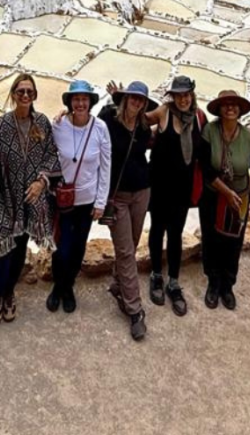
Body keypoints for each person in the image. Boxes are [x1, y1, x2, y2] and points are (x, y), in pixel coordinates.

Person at [0, 73, 60, 326]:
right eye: (21, 91)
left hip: (30, 200)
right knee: (3, 249)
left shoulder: (42, 123)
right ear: (13, 94)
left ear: (35, 95)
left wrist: (41, 182)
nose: (25, 96)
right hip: (5, 199)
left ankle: (9, 293)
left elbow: (51, 156)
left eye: (29, 92)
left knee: (19, 251)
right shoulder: (0, 126)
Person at [200, 89, 250, 310]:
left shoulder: (249, 138)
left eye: (234, 105)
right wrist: (225, 192)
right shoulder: (209, 132)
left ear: (240, 110)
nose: (230, 108)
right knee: (211, 239)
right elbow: (204, 168)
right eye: (226, 104)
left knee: (233, 241)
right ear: (219, 109)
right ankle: (213, 283)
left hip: (239, 196)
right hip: (213, 194)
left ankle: (227, 285)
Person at [145, 74, 208, 315]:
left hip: (183, 187)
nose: (183, 99)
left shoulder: (199, 118)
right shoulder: (164, 112)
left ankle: (173, 281)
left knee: (175, 234)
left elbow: (211, 141)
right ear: (173, 97)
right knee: (158, 230)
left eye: (186, 94)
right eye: (179, 95)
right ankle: (155, 275)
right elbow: (138, 120)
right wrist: (119, 100)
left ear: (192, 95)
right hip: (160, 186)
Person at [48, 79, 110, 316]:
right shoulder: (59, 124)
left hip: (87, 200)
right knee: (60, 248)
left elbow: (106, 167)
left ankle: (67, 287)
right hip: (62, 200)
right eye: (76, 99)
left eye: (85, 99)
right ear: (70, 102)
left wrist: (101, 202)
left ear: (91, 102)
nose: (81, 103)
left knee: (77, 247)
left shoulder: (101, 128)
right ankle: (58, 285)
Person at [98, 81, 154, 340]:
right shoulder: (108, 118)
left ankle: (119, 285)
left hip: (142, 192)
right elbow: (88, 126)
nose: (137, 102)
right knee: (126, 251)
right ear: (125, 98)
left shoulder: (143, 127)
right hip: (117, 197)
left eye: (141, 100)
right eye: (133, 98)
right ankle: (135, 310)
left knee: (130, 244)